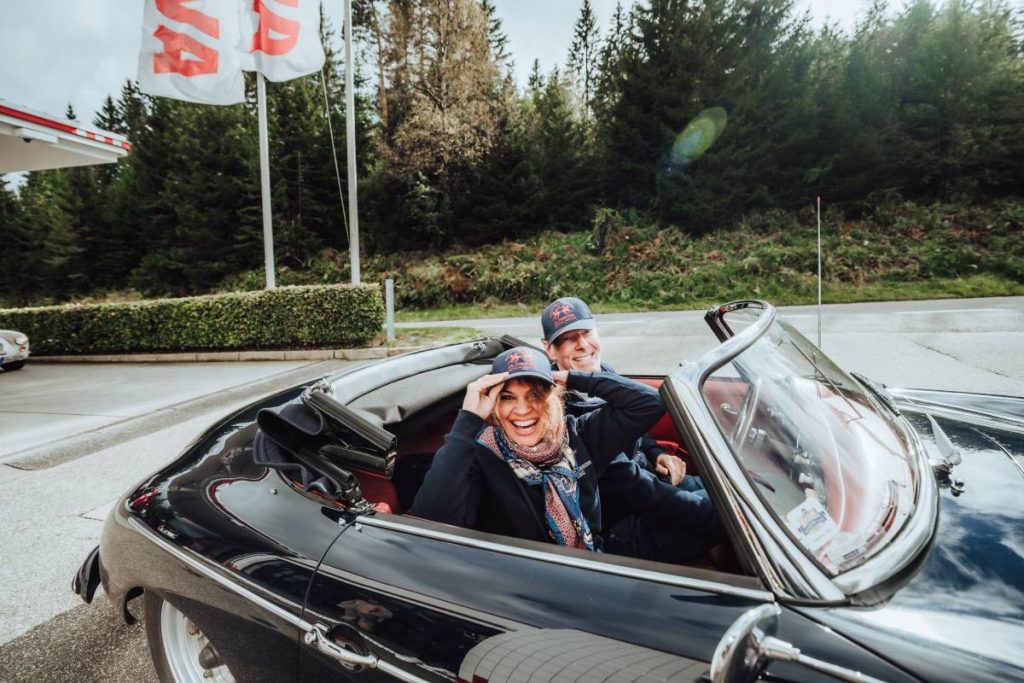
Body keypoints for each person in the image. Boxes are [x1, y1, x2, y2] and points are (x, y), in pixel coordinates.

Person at [411, 346, 687, 551]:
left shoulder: (578, 434)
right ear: (495, 405)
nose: (522, 410)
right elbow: (433, 518)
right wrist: (468, 420)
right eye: (508, 398)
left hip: (595, 553)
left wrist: (571, 377)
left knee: (719, 516)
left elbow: (650, 403)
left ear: (555, 397)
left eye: (535, 394)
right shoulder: (481, 455)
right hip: (536, 582)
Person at [541, 296, 725, 562]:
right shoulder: (557, 410)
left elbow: (635, 426)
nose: (583, 345)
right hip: (618, 520)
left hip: (648, 480)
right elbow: (630, 487)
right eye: (568, 339)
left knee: (740, 489)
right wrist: (722, 512)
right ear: (550, 350)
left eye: (586, 332)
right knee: (729, 514)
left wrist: (657, 454)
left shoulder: (603, 373)